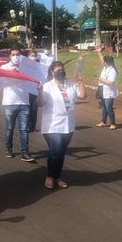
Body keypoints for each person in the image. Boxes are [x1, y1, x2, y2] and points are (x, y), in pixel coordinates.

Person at [36, 61, 87, 189]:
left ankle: (56, 177)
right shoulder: (47, 86)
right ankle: (49, 176)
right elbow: (39, 104)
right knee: (56, 150)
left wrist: (80, 82)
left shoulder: (70, 85)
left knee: (61, 152)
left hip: (68, 125)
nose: (61, 72)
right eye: (58, 70)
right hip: (52, 125)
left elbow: (82, 96)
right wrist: (40, 92)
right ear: (52, 72)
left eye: (62, 70)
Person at [0, 48, 34, 162]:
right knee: (10, 128)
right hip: (9, 103)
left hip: (24, 102)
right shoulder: (4, 68)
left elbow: (35, 79)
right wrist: (11, 75)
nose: (15, 56)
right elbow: (0, 83)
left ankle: (25, 153)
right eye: (13, 54)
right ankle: (8, 149)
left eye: (17, 54)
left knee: (24, 129)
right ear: (10, 56)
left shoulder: (27, 68)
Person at [95, 47, 118, 130]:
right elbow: (102, 60)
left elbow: (111, 82)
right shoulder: (106, 68)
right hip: (103, 90)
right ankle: (103, 122)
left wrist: (101, 79)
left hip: (109, 92)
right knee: (104, 107)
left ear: (107, 62)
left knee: (109, 107)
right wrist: (99, 53)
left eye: (104, 61)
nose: (103, 62)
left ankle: (113, 123)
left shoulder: (112, 71)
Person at [27, 50, 40, 132]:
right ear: (28, 57)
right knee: (27, 109)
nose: (33, 57)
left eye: (34, 55)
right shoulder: (25, 66)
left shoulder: (39, 66)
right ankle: (27, 125)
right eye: (31, 55)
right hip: (27, 91)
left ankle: (33, 126)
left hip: (35, 90)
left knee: (34, 109)